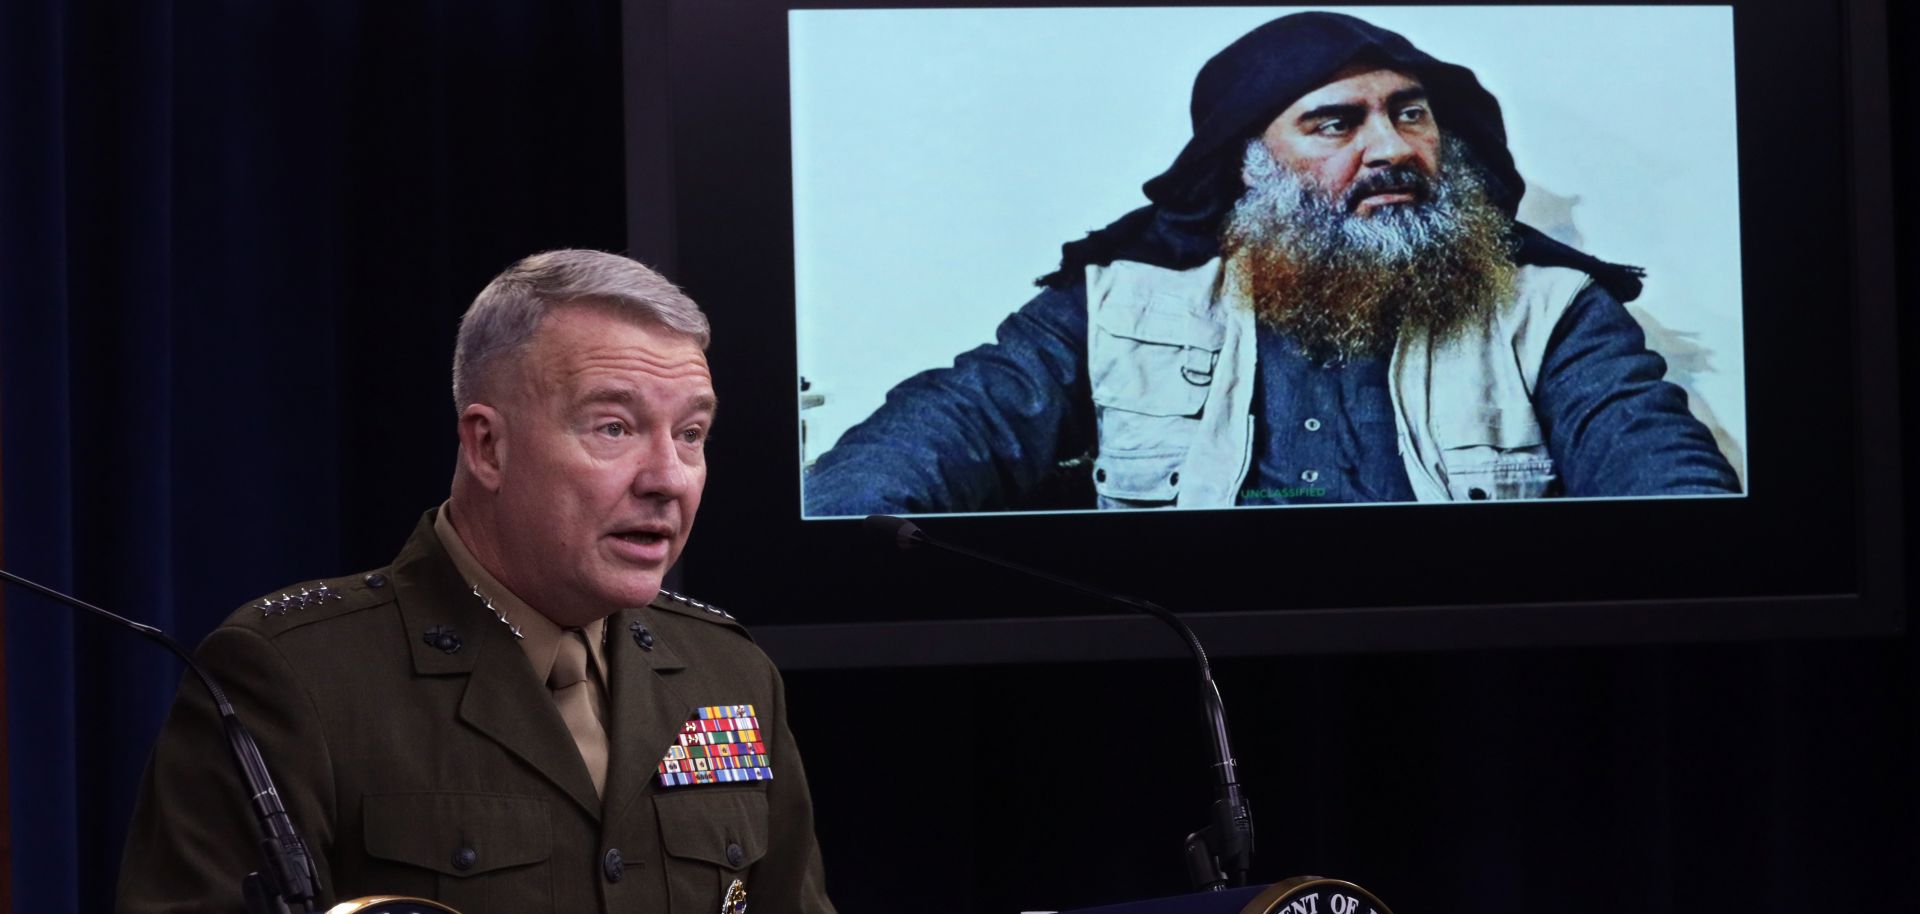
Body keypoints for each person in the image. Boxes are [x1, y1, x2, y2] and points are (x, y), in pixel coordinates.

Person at [119, 250, 836, 913]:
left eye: (690, 435)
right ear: (487, 446)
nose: (668, 480)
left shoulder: (729, 673)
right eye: (614, 428)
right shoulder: (293, 676)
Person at [803, 11, 1741, 514]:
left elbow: (1672, 502)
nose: (1395, 148)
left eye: (1410, 113)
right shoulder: (1125, 303)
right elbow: (945, 434)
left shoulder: (1550, 312)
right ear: (1251, 167)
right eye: (1336, 122)